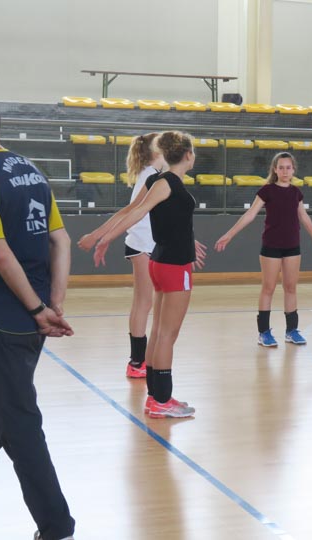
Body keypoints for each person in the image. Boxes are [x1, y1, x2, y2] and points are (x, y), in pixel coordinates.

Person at [0, 98, 76, 539]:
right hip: (30, 318)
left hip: (1, 318)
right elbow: (61, 240)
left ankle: (56, 526)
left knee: (18, 422)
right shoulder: (31, 170)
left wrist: (39, 310)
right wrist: (52, 303)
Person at [93, 131, 205, 419]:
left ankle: (157, 397)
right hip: (173, 265)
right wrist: (106, 239)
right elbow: (137, 212)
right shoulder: (167, 183)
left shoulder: (161, 181)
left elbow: (140, 212)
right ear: (188, 155)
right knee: (167, 334)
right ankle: (161, 400)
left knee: (159, 332)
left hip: (160, 261)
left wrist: (106, 237)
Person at [214, 151, 312, 346]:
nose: (285, 171)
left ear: (293, 170)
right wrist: (229, 234)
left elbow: (303, 216)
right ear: (275, 170)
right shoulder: (267, 190)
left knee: (290, 287)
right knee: (268, 288)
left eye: (288, 167)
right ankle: (264, 332)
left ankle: (291, 331)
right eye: (281, 167)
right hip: (271, 246)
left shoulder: (296, 192)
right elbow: (250, 215)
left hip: (292, 246)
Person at [77, 133, 164, 378]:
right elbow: (130, 212)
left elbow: (129, 211)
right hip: (144, 244)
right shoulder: (151, 176)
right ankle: (137, 362)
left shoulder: (150, 174)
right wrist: (101, 236)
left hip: (146, 243)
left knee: (143, 303)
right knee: (144, 303)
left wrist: (100, 235)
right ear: (157, 151)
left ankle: (139, 360)